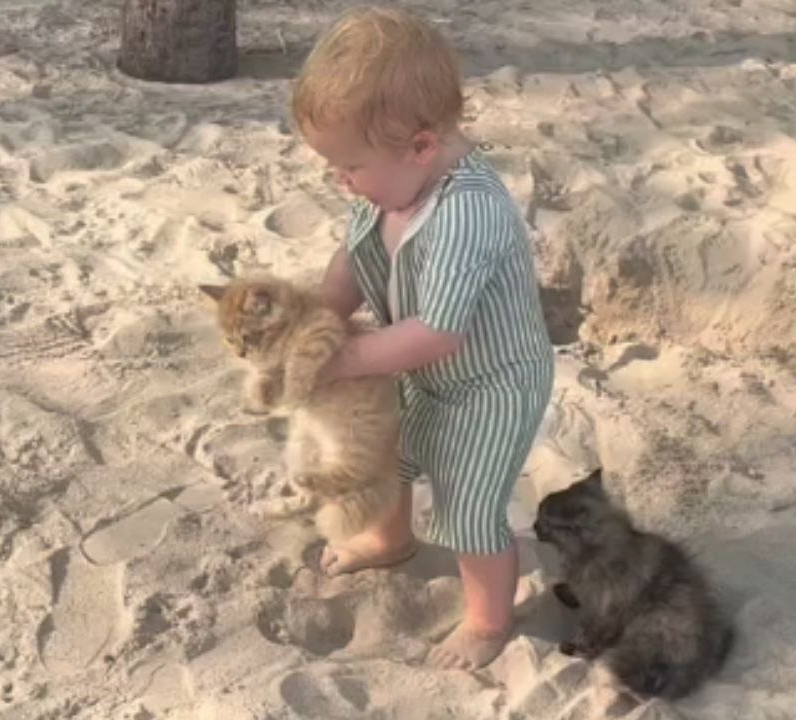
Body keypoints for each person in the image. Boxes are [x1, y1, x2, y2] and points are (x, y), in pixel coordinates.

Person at [290, 6, 555, 671]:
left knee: (470, 506)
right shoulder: (388, 184)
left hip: (489, 383)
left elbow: (438, 331)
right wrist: (320, 316)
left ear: (421, 146)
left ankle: (487, 619)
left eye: (349, 166)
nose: (340, 180)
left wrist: (345, 358)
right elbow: (353, 260)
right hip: (419, 366)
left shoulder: (468, 211)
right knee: (390, 455)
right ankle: (389, 539)